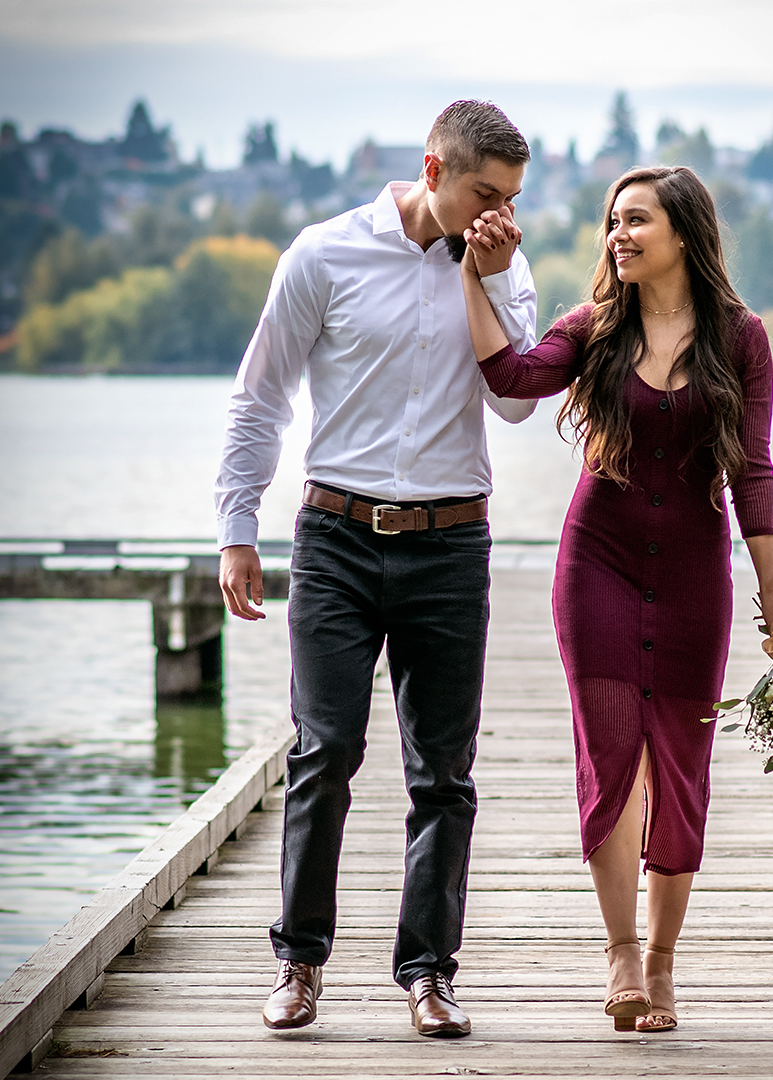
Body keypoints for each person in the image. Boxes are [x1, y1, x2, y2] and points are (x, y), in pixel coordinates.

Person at [460, 166, 773, 1033]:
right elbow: (509, 376)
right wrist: (471, 275)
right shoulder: (593, 328)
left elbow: (753, 470)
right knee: (613, 756)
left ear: (685, 235)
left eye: (637, 222)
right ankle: (620, 952)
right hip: (598, 565)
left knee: (680, 769)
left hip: (696, 572)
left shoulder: (743, 338)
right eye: (612, 222)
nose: (618, 235)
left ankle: (662, 964)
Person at [215, 100, 538, 1038]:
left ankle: (429, 976)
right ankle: (299, 965)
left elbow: (516, 404)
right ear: (433, 170)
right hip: (336, 538)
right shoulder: (321, 255)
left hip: (450, 542)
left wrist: (496, 274)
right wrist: (238, 526)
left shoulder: (504, 263)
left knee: (444, 774)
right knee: (324, 754)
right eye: (486, 194)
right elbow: (260, 397)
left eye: (513, 200)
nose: (500, 215)